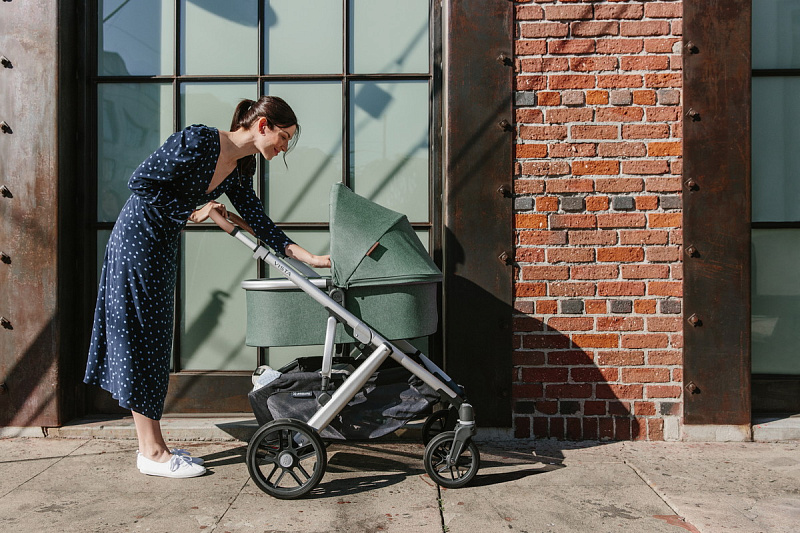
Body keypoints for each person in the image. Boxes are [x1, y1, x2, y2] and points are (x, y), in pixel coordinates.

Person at [84, 96, 330, 478]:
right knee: (140, 337)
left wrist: (308, 257)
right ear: (262, 125)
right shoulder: (199, 141)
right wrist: (196, 210)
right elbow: (141, 182)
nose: (284, 148)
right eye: (284, 137)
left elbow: (258, 221)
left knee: (155, 341)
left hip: (161, 246)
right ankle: (151, 451)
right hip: (137, 240)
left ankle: (154, 447)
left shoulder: (238, 169)